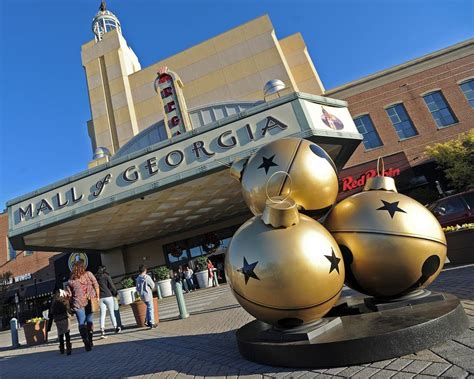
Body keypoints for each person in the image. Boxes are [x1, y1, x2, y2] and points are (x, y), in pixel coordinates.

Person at [66, 260, 99, 351]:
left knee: (81, 322)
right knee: (89, 320)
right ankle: (90, 340)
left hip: (78, 303)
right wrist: (98, 297)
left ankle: (85, 340)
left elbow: (69, 295)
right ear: (83, 267)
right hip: (89, 301)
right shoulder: (88, 274)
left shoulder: (71, 280)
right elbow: (96, 285)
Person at [95, 265, 121, 338]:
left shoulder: (96, 277)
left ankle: (102, 331)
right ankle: (116, 327)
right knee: (111, 313)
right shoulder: (106, 276)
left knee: (102, 314)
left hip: (101, 297)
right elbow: (112, 286)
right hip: (108, 296)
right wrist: (115, 293)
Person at [49, 289, 72, 355]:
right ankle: (68, 348)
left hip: (58, 320)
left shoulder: (54, 302)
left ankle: (62, 348)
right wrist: (71, 313)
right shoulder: (64, 301)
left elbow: (51, 311)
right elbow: (68, 309)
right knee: (67, 333)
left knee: (61, 334)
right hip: (64, 318)